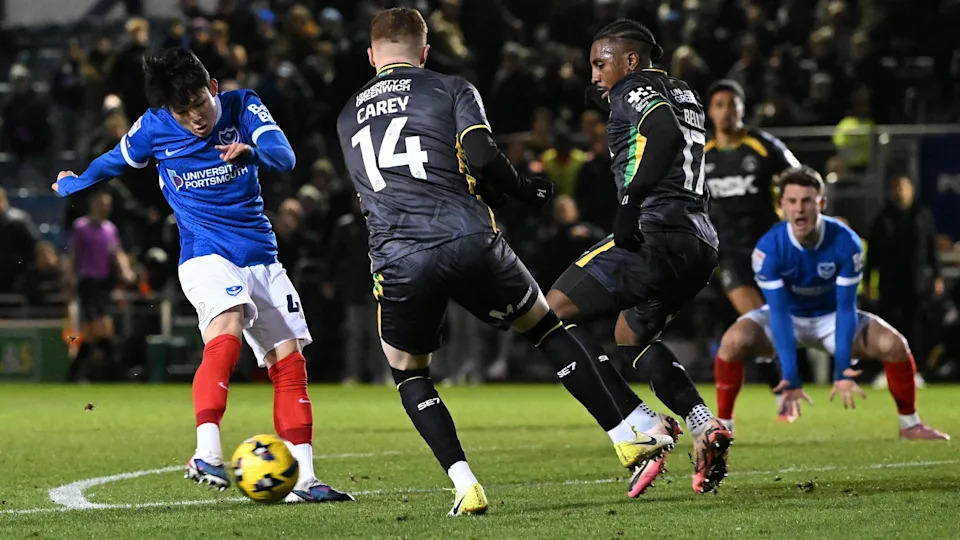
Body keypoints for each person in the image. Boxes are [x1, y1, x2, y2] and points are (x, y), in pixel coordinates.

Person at [336, 8, 672, 516]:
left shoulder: (346, 115)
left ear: (371, 56)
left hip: (400, 255)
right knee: (545, 328)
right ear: (424, 52)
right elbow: (481, 154)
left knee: (408, 371)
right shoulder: (451, 88)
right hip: (469, 238)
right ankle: (626, 434)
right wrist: (523, 190)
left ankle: (465, 484)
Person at [51, 47, 354, 503]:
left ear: (213, 88)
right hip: (205, 254)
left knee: (289, 361)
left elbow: (285, 156)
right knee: (227, 325)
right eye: (183, 110)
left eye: (199, 102)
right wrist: (75, 182)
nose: (195, 116)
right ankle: (206, 452)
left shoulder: (242, 105)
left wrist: (251, 153)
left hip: (262, 256)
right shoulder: (153, 127)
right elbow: (113, 161)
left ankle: (305, 481)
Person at [547, 19, 731, 497]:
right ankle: (702, 423)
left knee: (550, 314)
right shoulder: (683, 91)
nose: (594, 75)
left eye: (600, 63)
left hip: (656, 230)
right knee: (631, 337)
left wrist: (631, 201)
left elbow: (662, 132)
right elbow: (653, 119)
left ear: (630, 61)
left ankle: (640, 423)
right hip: (699, 242)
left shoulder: (634, 86)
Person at [713, 166, 949, 441]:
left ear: (822, 203)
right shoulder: (769, 249)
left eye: (807, 201)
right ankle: (723, 427)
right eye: (792, 201)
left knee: (894, 345)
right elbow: (778, 313)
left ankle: (910, 424)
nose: (799, 209)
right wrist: (790, 377)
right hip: (788, 316)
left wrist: (842, 370)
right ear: (782, 206)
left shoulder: (846, 242)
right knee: (733, 341)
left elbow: (846, 308)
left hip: (832, 317)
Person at [703, 79, 806, 421]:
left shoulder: (762, 146)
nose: (726, 111)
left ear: (743, 109)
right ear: (710, 111)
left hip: (770, 248)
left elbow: (801, 179)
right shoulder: (703, 155)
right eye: (719, 105)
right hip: (729, 252)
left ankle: (786, 383)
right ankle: (782, 389)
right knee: (756, 318)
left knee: (776, 321)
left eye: (732, 104)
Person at [865, 175, 945, 367]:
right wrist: (868, 280)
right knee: (890, 326)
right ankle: (889, 368)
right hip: (890, 281)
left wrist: (937, 276)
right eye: (897, 188)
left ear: (911, 191)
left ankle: (915, 368)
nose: (900, 192)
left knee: (915, 327)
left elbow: (931, 248)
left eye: (903, 188)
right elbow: (873, 253)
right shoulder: (882, 218)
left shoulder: (922, 216)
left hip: (915, 281)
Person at [66, 191, 135, 381]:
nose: (106, 208)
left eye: (107, 204)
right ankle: (117, 373)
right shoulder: (80, 226)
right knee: (101, 327)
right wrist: (70, 278)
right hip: (87, 283)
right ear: (93, 204)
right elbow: (74, 253)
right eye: (102, 204)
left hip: (104, 284)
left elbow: (117, 252)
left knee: (95, 332)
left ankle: (76, 373)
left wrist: (125, 270)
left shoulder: (110, 229)